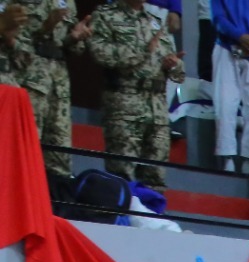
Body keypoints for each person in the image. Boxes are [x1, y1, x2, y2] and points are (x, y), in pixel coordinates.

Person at [89, 0, 186, 189]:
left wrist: (173, 65)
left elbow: (178, 69)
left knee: (155, 177)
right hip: (124, 103)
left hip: (157, 107)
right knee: (122, 175)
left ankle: (152, 216)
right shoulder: (106, 15)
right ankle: (121, 217)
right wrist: (141, 52)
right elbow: (100, 53)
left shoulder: (155, 21)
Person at [21, 0, 90, 179]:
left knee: (59, 155)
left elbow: (67, 43)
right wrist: (46, 27)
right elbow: (8, 32)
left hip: (58, 83)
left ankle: (54, 205)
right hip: (28, 78)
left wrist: (74, 37)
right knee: (25, 148)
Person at [211, 0, 249, 172]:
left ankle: (248, 158)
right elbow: (218, 18)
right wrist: (239, 37)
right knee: (225, 104)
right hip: (226, 48)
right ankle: (227, 156)